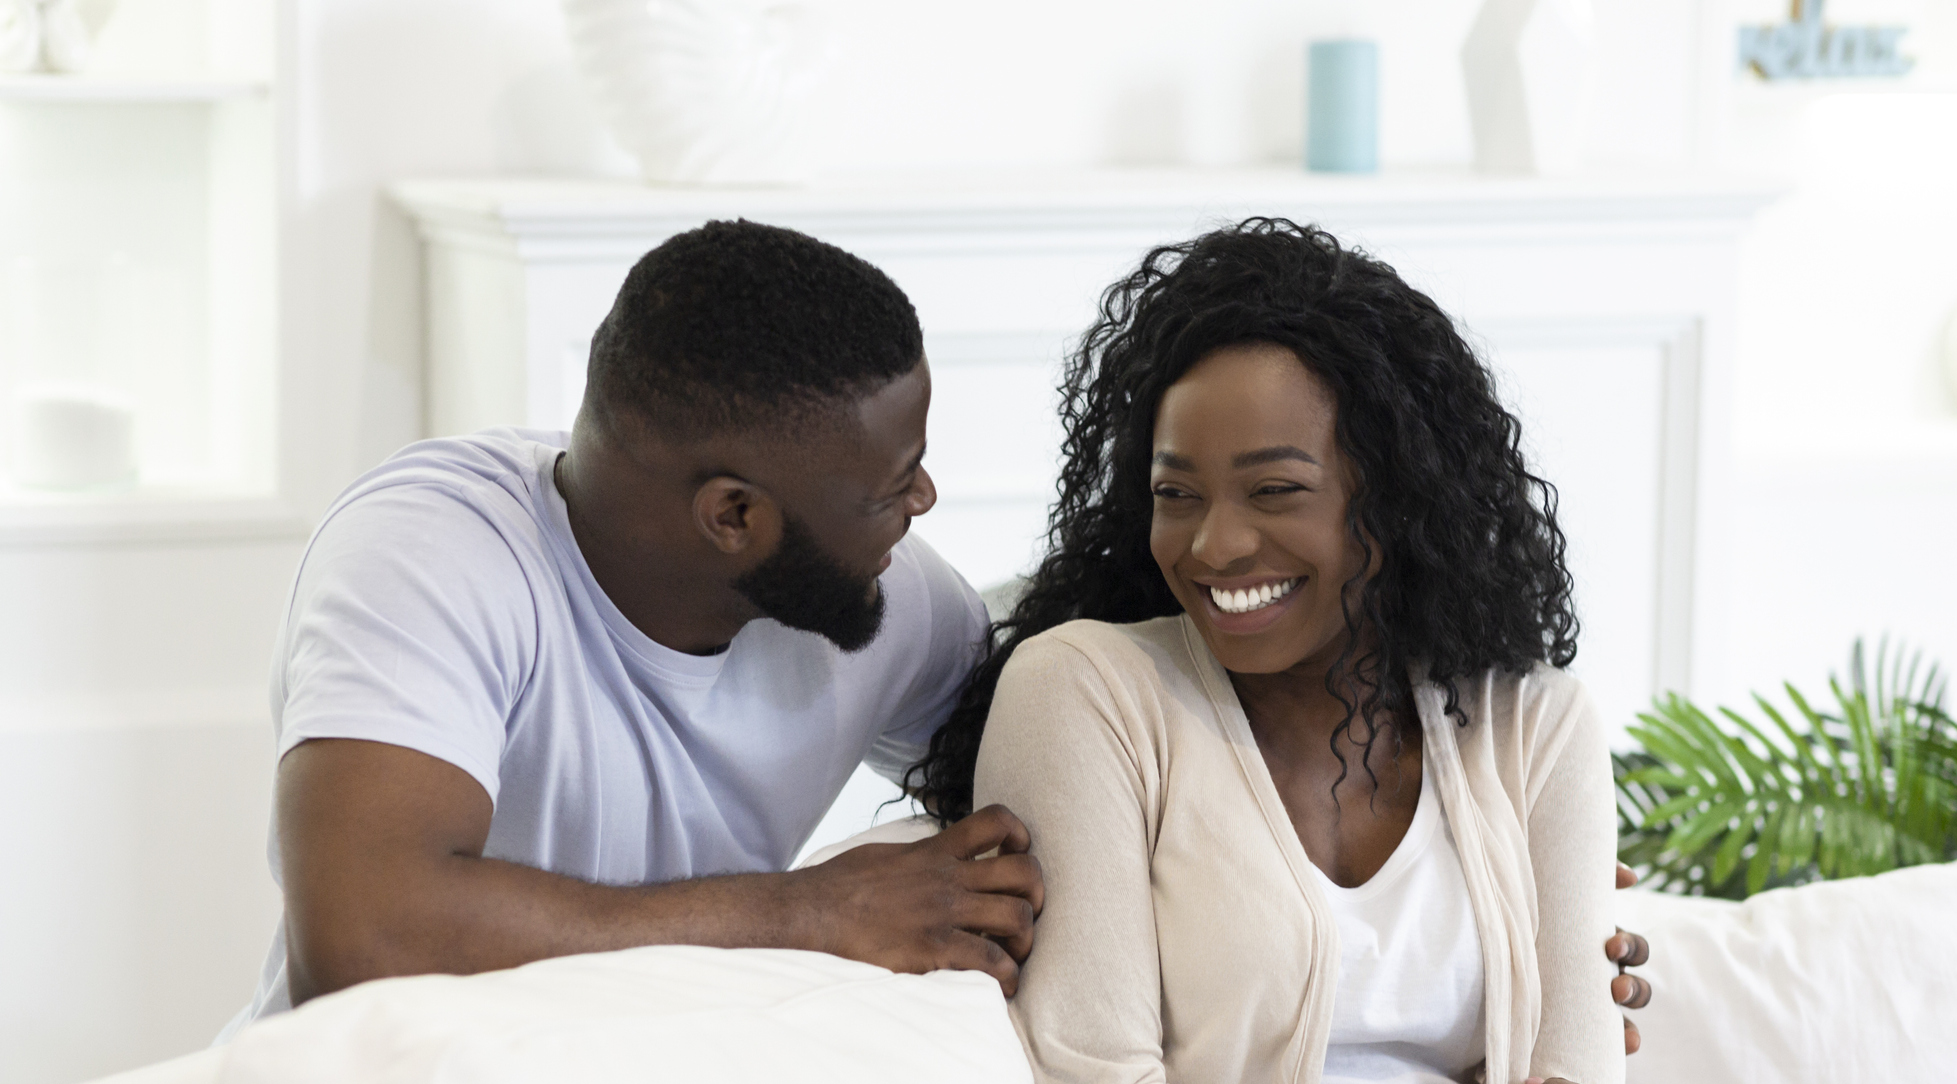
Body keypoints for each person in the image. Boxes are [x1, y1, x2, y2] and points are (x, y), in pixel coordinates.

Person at [911, 219, 1957, 1084]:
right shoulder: (1091, 693)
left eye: (1276, 490)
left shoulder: (1533, 724)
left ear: (1396, 492)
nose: (1215, 544)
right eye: (1177, 495)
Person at [225, 217, 1650, 1042]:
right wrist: (801, 914)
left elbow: (1123, 773)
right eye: (884, 482)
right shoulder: (436, 549)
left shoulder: (887, 605)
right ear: (734, 516)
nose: (925, 495)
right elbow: (371, 924)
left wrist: (1503, 915)